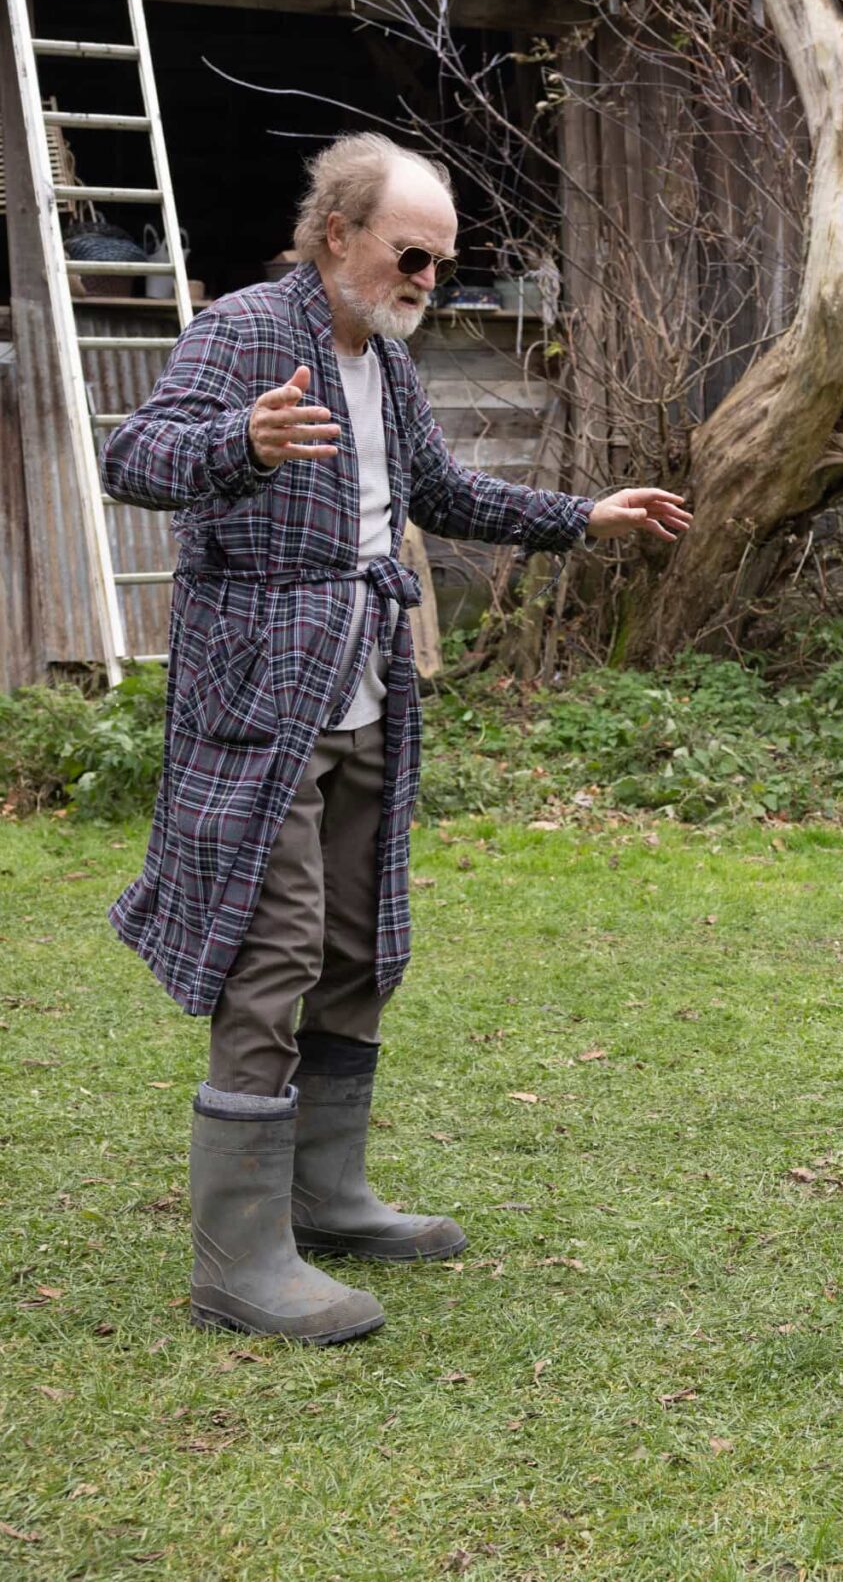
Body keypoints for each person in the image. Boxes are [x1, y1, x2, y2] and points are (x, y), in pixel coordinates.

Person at [102, 133, 690, 1343]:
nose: (430, 277)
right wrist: (241, 443)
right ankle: (239, 1260)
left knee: (358, 940)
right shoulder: (248, 335)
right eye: (412, 253)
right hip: (261, 703)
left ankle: (324, 1195)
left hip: (368, 687)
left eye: (445, 261)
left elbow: (448, 495)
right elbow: (134, 455)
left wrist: (585, 516)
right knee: (271, 959)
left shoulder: (388, 365)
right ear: (337, 236)